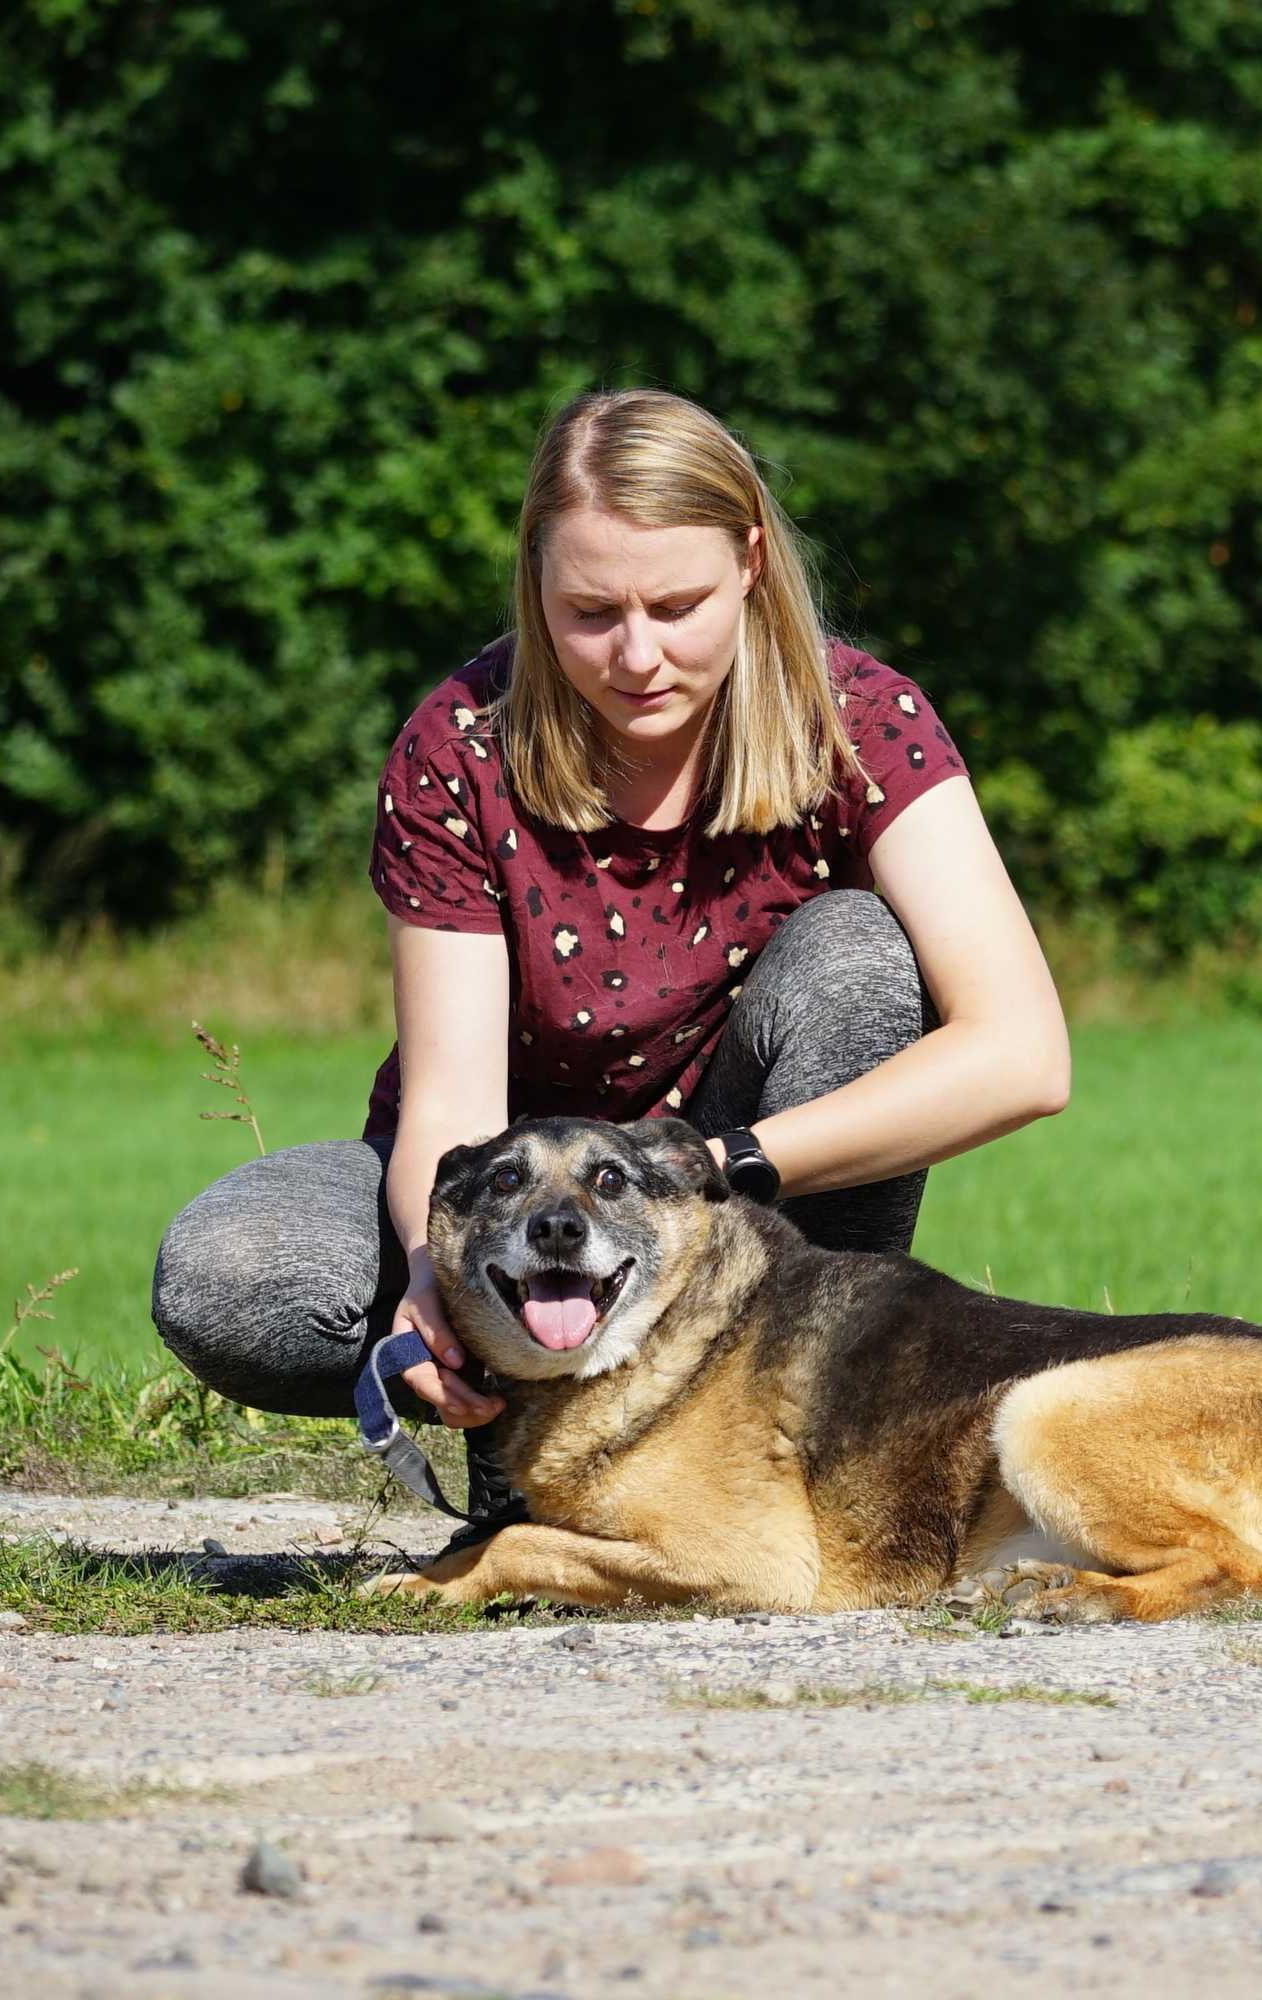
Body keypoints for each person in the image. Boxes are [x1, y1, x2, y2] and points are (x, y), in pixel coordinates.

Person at [150, 387, 1071, 1537]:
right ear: (534, 580)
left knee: (858, 958)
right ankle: (519, 1430)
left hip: (745, 1210)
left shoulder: (861, 722)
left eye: (676, 605)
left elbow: (1023, 1053)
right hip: (504, 1198)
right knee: (227, 1273)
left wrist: (715, 1168)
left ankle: (789, 1437)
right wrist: (436, 1286)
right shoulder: (459, 744)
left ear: (748, 562)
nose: (636, 656)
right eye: (590, 611)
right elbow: (450, 1103)